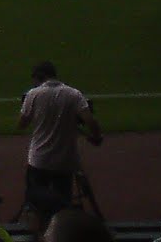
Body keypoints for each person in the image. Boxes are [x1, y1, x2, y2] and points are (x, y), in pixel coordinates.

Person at [18, 60, 102, 216]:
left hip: (39, 160)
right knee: (63, 204)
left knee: (35, 202)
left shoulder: (33, 94)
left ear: (39, 77)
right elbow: (90, 121)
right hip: (65, 161)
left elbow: (22, 124)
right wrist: (96, 137)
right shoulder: (74, 94)